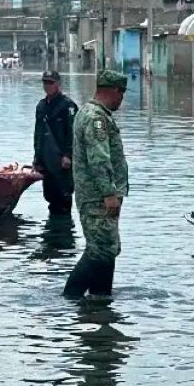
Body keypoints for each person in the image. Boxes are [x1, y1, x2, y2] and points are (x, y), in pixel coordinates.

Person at [63, 70, 129, 299]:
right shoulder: (95, 118)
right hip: (97, 197)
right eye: (121, 92)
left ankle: (101, 299)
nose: (122, 98)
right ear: (110, 90)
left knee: (107, 248)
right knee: (99, 249)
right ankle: (71, 296)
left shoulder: (92, 113)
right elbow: (99, 159)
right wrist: (109, 192)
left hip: (97, 195)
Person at [33, 70, 78, 215]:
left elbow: (72, 133)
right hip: (46, 160)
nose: (47, 86)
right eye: (45, 82)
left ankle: (64, 232)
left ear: (58, 84)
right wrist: (36, 158)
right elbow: (38, 134)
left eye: (50, 83)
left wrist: (68, 155)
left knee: (64, 197)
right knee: (50, 197)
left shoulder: (68, 106)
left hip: (62, 160)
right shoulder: (41, 106)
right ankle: (53, 233)